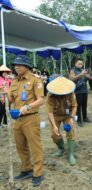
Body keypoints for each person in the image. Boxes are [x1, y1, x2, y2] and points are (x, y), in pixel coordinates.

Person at [8, 55, 44, 187]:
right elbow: (10, 100)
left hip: (31, 118)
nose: (16, 67)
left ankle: (38, 173)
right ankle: (26, 169)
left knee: (35, 146)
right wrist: (4, 97)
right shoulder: (14, 81)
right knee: (20, 146)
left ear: (27, 66)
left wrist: (28, 106)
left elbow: (41, 100)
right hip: (17, 119)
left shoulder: (36, 80)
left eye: (19, 65)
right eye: (15, 65)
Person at [46, 76, 77, 165]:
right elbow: (50, 112)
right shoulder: (50, 96)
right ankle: (61, 148)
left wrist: (71, 118)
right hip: (55, 116)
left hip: (67, 115)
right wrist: (54, 126)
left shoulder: (70, 93)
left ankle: (71, 154)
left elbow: (74, 106)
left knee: (70, 131)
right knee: (54, 134)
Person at [69, 58, 91, 127]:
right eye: (79, 63)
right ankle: (79, 120)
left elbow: (86, 79)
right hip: (78, 91)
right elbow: (72, 79)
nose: (81, 65)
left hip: (84, 90)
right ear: (75, 63)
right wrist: (81, 74)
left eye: (81, 64)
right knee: (78, 106)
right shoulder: (72, 70)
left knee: (84, 105)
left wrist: (88, 77)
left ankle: (85, 118)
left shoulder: (82, 70)